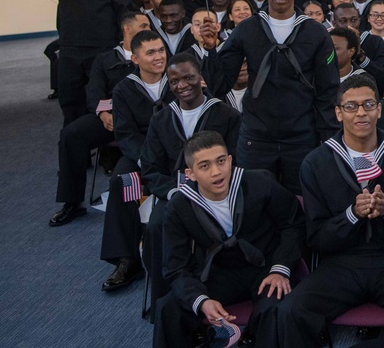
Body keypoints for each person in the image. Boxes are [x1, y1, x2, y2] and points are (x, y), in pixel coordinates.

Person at [281, 74, 384, 347]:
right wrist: (351, 215)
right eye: (351, 106)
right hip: (342, 264)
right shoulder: (315, 162)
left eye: (369, 104)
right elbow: (317, 238)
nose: (361, 113)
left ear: (379, 110)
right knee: (291, 311)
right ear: (338, 113)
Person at [198, 0, 340, 194]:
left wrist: (329, 138)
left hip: (302, 136)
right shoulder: (247, 29)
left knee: (303, 201)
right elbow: (219, 84)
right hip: (256, 137)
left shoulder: (316, 33)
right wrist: (210, 49)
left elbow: (328, 91)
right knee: (254, 202)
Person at [154, 131, 305, 348]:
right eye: (204, 166)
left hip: (266, 266)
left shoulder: (259, 182)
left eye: (221, 161)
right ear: (191, 174)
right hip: (219, 271)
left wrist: (280, 268)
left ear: (230, 160)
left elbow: (293, 223)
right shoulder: (178, 207)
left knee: (275, 308)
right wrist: (201, 301)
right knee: (168, 307)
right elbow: (176, 267)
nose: (216, 172)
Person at [141, 52, 242, 310]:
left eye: (189, 78)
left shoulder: (226, 115)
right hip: (175, 192)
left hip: (217, 191)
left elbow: (236, 160)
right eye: (174, 81)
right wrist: (173, 192)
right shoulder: (161, 118)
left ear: (201, 78)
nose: (182, 85)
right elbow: (151, 168)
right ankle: (166, 298)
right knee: (156, 226)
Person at [21, 0, 131, 124]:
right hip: (70, 47)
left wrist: (123, 44)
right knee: (70, 97)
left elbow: (122, 10)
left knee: (103, 95)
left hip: (103, 47)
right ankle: (72, 137)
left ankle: (102, 139)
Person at [50, 12, 150, 227]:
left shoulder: (152, 55)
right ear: (127, 29)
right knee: (71, 134)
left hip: (141, 121)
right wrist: (103, 114)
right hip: (110, 118)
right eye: (143, 25)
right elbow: (94, 91)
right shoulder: (105, 59)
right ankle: (72, 202)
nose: (148, 29)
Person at [100, 29, 172, 292]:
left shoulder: (178, 80)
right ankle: (127, 259)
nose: (158, 57)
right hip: (141, 155)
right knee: (122, 181)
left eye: (161, 50)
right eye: (150, 53)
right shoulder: (124, 90)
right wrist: (148, 160)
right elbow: (126, 134)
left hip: (177, 154)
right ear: (135, 58)